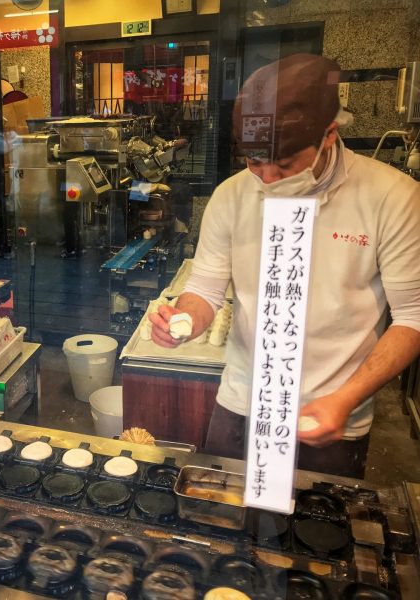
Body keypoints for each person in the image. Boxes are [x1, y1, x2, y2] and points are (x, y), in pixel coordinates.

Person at [148, 54, 420, 478]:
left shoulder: (393, 198)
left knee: (314, 537)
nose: (268, 179)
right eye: (255, 163)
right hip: (240, 403)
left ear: (330, 134)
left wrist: (347, 398)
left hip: (329, 416)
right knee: (224, 523)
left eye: (287, 165)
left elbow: (412, 317)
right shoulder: (231, 196)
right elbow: (204, 288)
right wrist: (184, 319)